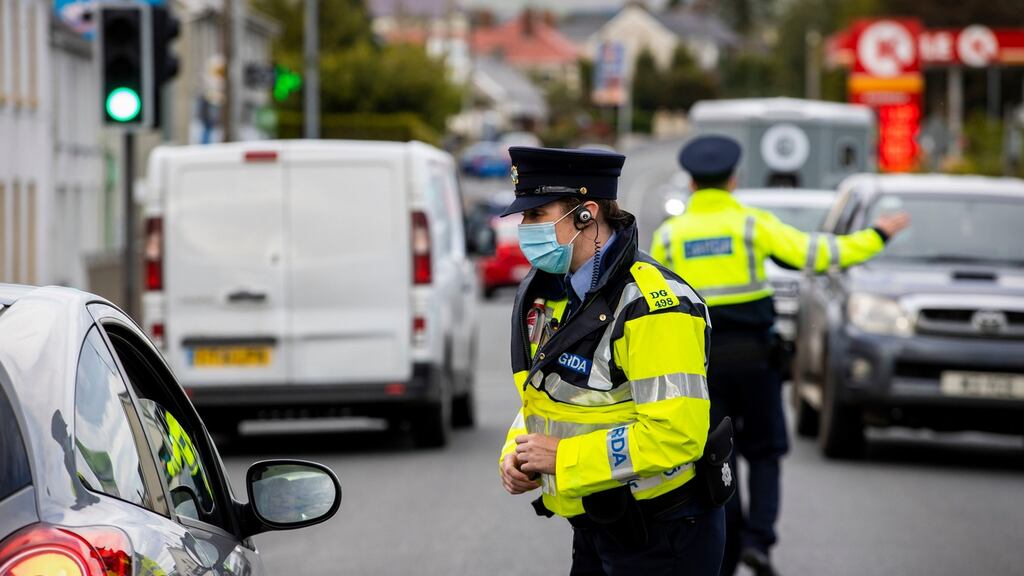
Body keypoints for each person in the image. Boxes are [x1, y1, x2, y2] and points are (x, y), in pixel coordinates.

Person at [650, 135, 910, 576]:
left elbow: (650, 305)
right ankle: (759, 544)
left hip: (700, 371)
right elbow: (822, 254)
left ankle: (729, 548)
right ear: (733, 179)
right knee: (766, 452)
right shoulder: (752, 224)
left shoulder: (669, 236)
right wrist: (879, 234)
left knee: (716, 459)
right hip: (756, 362)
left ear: (691, 183)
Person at [497, 146, 725, 576]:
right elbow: (545, 398)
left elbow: (677, 435)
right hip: (598, 524)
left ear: (585, 214)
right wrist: (517, 455)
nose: (524, 229)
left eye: (536, 215)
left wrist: (562, 458)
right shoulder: (554, 292)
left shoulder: (657, 307)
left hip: (664, 534)